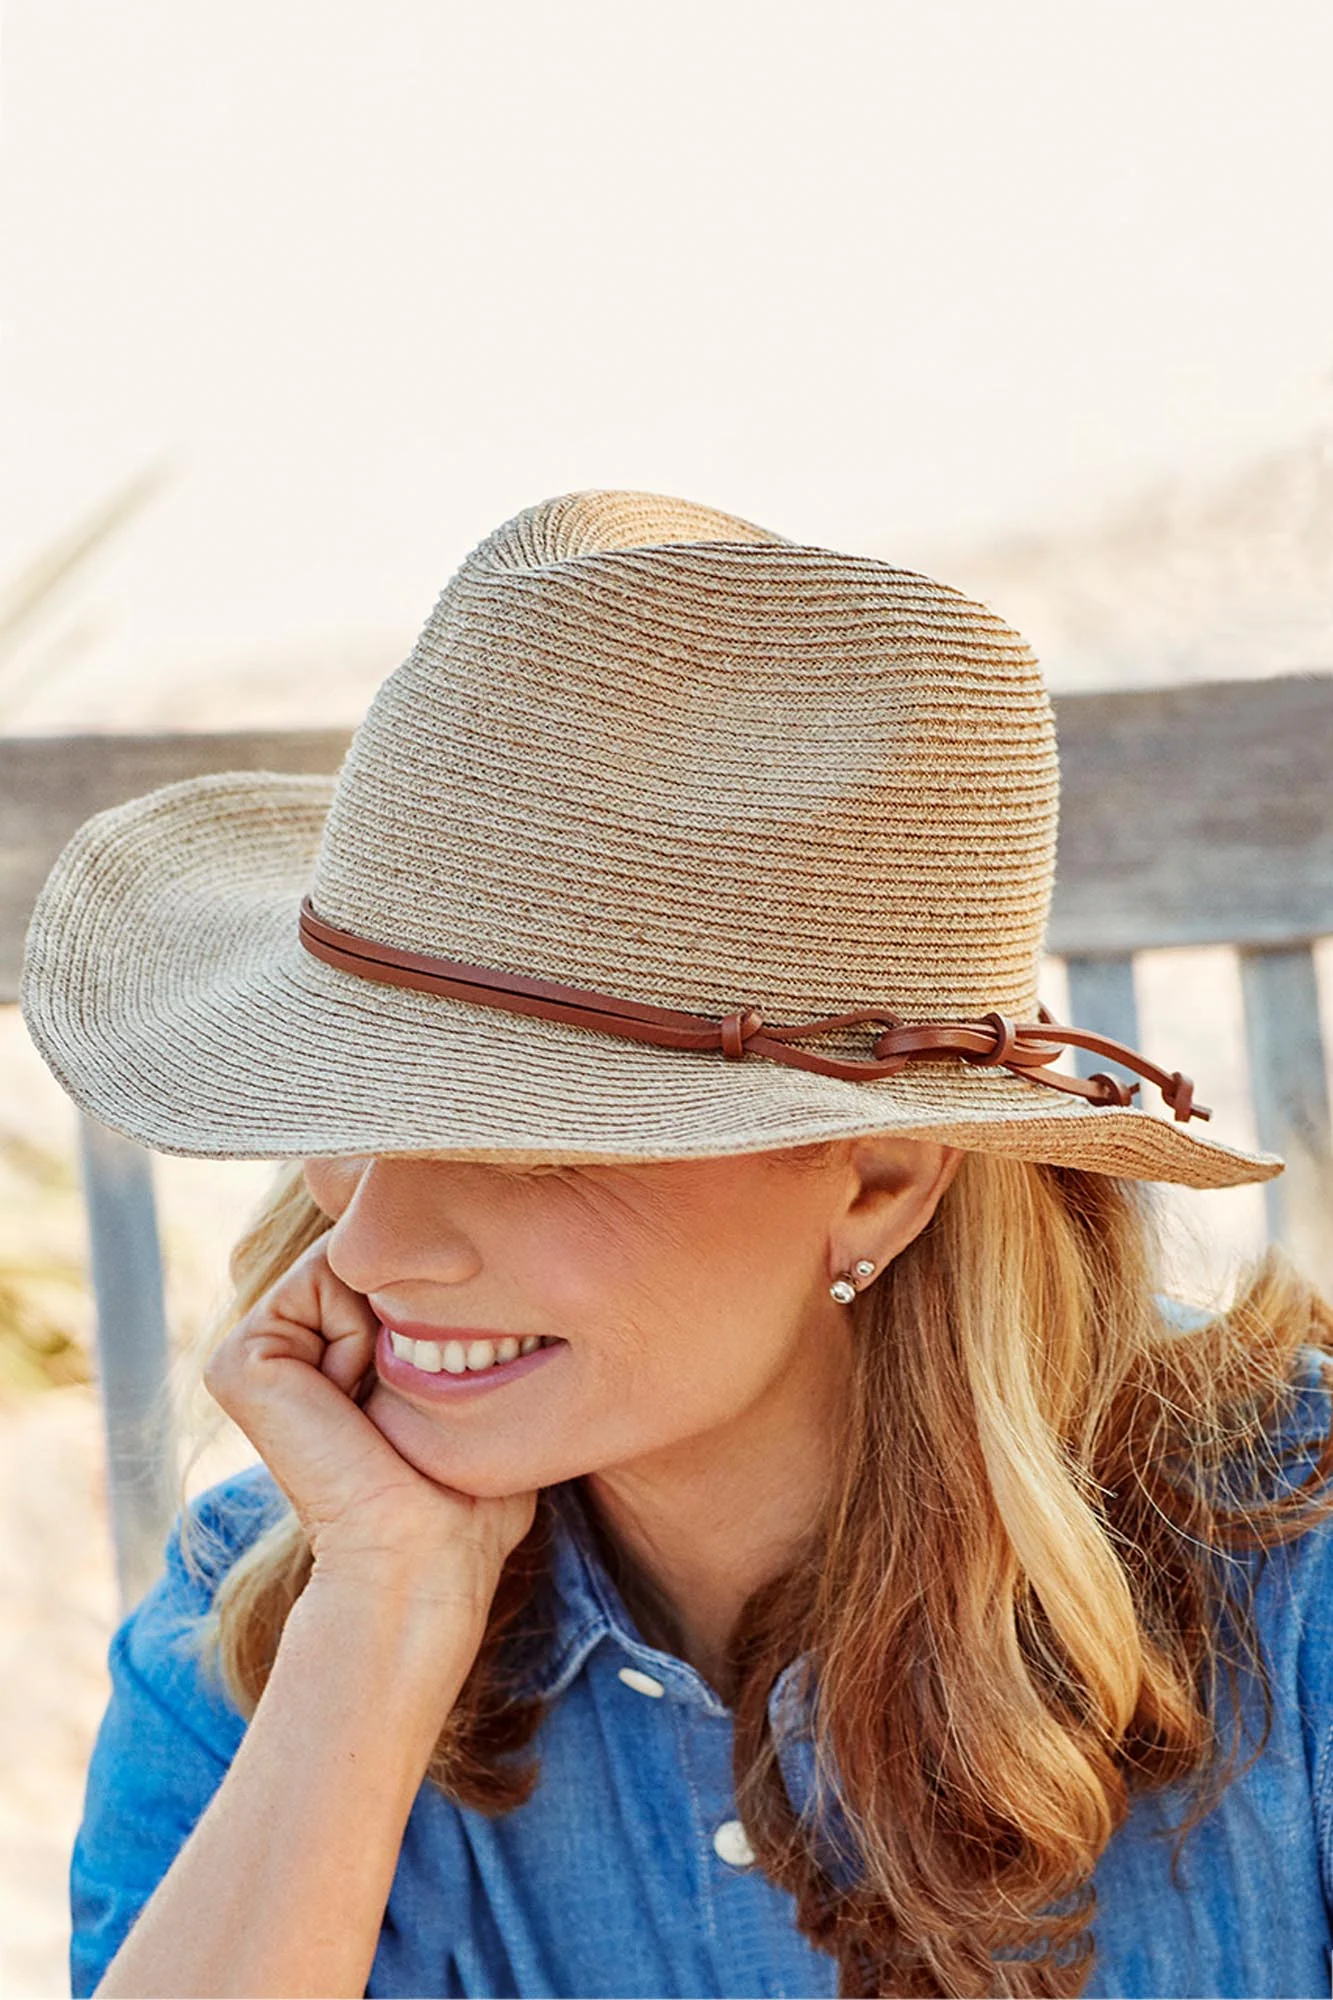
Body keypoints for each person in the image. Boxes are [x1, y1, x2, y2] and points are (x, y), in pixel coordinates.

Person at [20, 488, 1333, 2000]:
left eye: (526, 1147)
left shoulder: (1289, 1591)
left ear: (882, 1180)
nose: (375, 1246)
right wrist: (382, 1610)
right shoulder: (255, 1625)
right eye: (357, 1111)